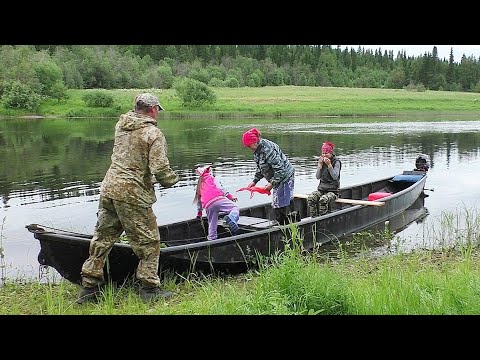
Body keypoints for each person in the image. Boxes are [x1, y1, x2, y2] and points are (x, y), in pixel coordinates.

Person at [77, 92, 179, 304]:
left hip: (109, 189)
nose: (158, 114)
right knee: (149, 242)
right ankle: (150, 289)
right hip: (133, 195)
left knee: (102, 238)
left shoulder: (121, 126)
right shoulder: (153, 134)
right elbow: (160, 169)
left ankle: (89, 288)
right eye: (157, 110)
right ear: (152, 109)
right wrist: (172, 181)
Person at [242, 127, 296, 225]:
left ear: (255, 141)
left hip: (285, 176)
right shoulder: (257, 151)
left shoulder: (268, 149)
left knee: (281, 203)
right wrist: (254, 181)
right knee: (277, 202)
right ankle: (282, 222)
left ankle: (287, 224)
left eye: (250, 146)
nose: (249, 148)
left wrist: (271, 184)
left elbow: (280, 170)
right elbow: (261, 168)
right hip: (277, 177)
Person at [194, 165, 239, 240]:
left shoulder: (200, 185)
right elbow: (221, 188)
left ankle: (211, 238)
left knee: (212, 222)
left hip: (208, 205)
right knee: (234, 208)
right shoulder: (212, 178)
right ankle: (232, 217)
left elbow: (199, 200)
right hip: (218, 199)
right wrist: (230, 196)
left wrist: (199, 213)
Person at [307, 141, 342, 217]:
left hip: (333, 191)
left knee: (323, 200)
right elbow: (317, 177)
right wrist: (319, 166)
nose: (324, 155)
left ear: (331, 153)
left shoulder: (336, 162)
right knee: (311, 198)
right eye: (323, 153)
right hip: (322, 189)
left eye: (326, 153)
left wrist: (329, 165)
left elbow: (335, 177)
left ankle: (323, 217)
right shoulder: (321, 162)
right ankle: (313, 217)